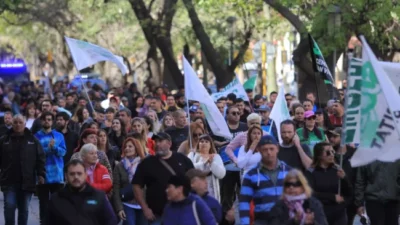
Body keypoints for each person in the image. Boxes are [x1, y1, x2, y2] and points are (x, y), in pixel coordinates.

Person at [132, 132, 194, 225]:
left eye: (160, 141)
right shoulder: (146, 163)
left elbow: (193, 180)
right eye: (155, 141)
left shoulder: (182, 159)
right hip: (157, 215)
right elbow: (136, 185)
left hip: (182, 212)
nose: (157, 144)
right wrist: (145, 208)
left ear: (169, 143)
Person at [0, 114, 46, 225]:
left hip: (27, 181)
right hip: (9, 180)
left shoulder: (33, 140)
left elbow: (40, 158)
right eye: (15, 122)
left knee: (24, 210)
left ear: (25, 124)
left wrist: (41, 174)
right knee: (9, 208)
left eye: (20, 122)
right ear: (12, 124)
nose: (17, 125)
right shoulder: (4, 140)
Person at [239, 135, 291, 225]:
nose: (269, 152)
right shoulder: (251, 175)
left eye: (271, 149)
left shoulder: (289, 172)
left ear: (277, 148)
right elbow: (244, 202)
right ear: (259, 150)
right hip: (262, 220)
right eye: (265, 149)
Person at [48, 160, 118, 225]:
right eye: (72, 174)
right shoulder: (56, 198)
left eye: (79, 173)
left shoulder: (98, 196)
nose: (76, 177)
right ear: (66, 176)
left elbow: (111, 221)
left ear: (85, 175)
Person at [305, 143, 352, 225]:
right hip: (320, 213)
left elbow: (349, 192)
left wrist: (344, 178)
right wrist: (332, 197)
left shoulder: (337, 170)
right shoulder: (311, 172)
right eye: (327, 152)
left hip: (339, 213)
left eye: (332, 152)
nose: (331, 155)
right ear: (319, 155)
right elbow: (310, 193)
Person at [34, 111, 67, 225]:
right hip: (42, 174)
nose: (47, 121)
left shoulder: (59, 135)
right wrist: (48, 148)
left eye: (49, 119)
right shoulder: (36, 136)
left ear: (52, 122)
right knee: (43, 203)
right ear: (41, 121)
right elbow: (35, 155)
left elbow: (63, 152)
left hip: (57, 175)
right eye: (45, 119)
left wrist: (55, 148)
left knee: (57, 203)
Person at [354, 160, 400, 225]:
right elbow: (360, 180)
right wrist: (359, 204)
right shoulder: (367, 156)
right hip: (373, 200)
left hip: (393, 201)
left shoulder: (396, 156)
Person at [112, 138, 147, 225]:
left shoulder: (145, 164)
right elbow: (115, 189)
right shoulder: (119, 166)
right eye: (125, 147)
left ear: (137, 148)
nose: (127, 148)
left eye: (130, 146)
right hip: (127, 204)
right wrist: (119, 208)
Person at [188, 134, 226, 202]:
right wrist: (203, 163)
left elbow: (221, 174)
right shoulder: (192, 155)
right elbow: (189, 169)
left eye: (206, 141)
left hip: (212, 191)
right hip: (196, 189)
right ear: (198, 144)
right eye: (201, 141)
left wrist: (212, 163)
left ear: (210, 145)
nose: (204, 143)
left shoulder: (216, 156)